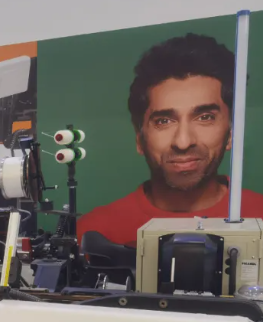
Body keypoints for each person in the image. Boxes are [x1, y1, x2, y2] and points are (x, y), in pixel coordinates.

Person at [77, 34, 263, 247]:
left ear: (230, 133)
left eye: (205, 117)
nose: (183, 142)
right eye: (164, 121)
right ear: (139, 138)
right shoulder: (92, 234)